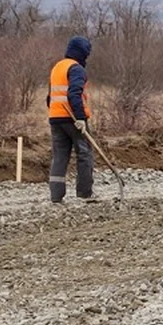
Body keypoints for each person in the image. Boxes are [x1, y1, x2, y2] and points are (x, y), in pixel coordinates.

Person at [46, 35, 94, 203]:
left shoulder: (57, 68)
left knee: (59, 156)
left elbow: (49, 97)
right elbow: (74, 93)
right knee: (84, 153)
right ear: (82, 53)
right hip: (73, 118)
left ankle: (56, 196)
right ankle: (84, 193)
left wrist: (54, 112)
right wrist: (80, 118)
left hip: (55, 118)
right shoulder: (76, 69)